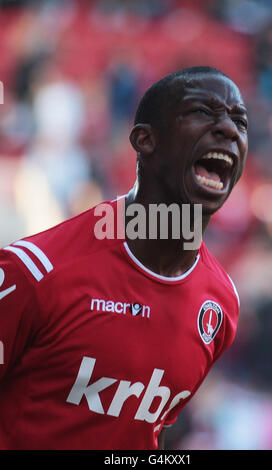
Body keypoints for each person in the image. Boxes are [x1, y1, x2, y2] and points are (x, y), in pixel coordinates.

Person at [0, 66, 248, 450]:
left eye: (239, 121)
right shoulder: (35, 272)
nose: (229, 129)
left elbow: (147, 433)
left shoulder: (221, 305)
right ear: (145, 140)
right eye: (203, 112)